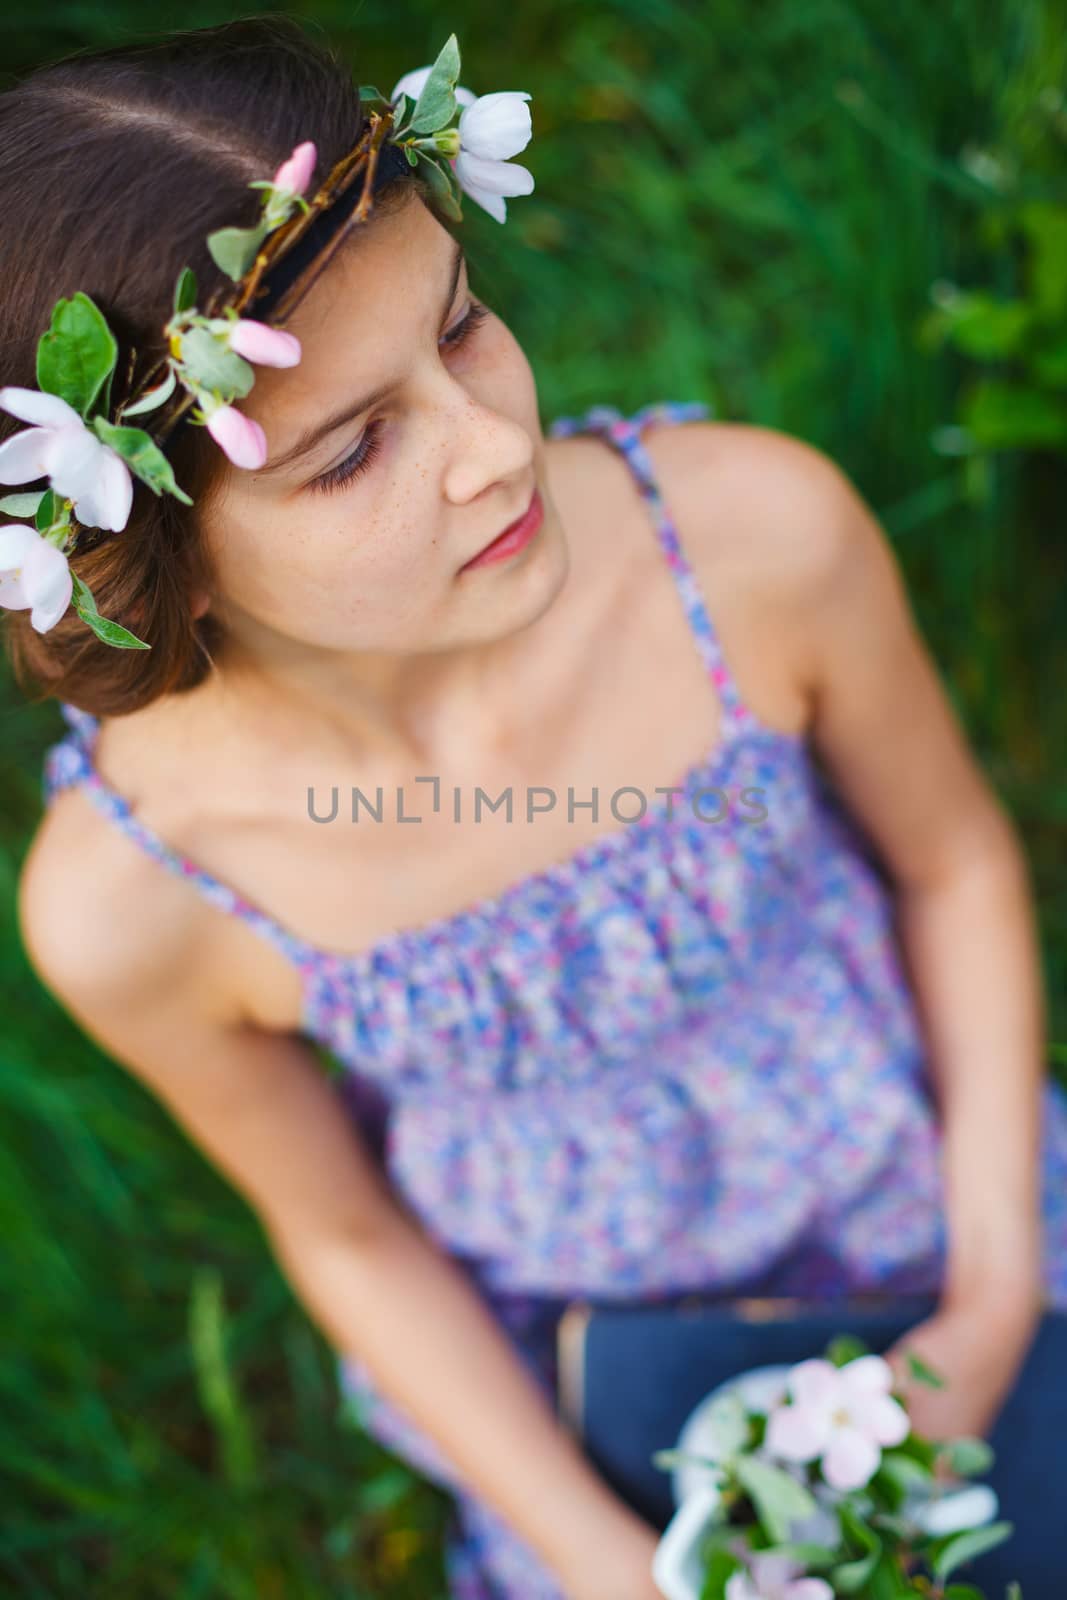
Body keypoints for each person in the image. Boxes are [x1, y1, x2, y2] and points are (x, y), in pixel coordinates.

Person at [6, 15, 1066, 1600]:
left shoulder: (754, 543)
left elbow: (956, 867)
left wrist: (991, 1300)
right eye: (354, 451)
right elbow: (354, 1241)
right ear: (147, 557)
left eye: (467, 324)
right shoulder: (142, 901)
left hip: (941, 1181)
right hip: (582, 1382)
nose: (495, 447)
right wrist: (613, 1565)